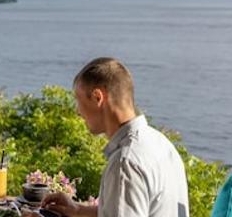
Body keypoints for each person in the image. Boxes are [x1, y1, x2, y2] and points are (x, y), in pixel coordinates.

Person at [40, 58, 189, 217]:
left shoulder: (126, 162)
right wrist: (78, 210)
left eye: (78, 99)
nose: (78, 111)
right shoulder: (162, 144)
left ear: (98, 97)